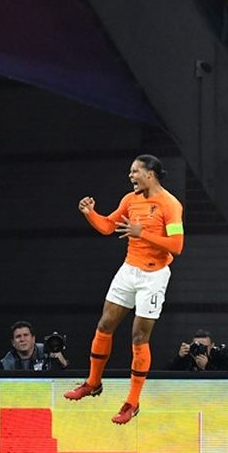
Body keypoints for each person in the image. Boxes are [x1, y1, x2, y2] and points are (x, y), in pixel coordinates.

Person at [63, 154, 184, 425]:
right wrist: (90, 214)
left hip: (154, 276)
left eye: (135, 171)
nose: (130, 176)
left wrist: (143, 234)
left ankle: (132, 402)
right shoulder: (130, 200)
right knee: (105, 325)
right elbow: (108, 226)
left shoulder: (170, 204)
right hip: (129, 270)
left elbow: (177, 246)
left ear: (149, 174)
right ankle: (93, 383)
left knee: (139, 337)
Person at [0, 321, 68, 371]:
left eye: (26, 335)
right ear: (13, 342)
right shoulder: (6, 363)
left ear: (33, 339)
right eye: (18, 336)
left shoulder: (48, 351)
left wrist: (63, 364)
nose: (22, 339)